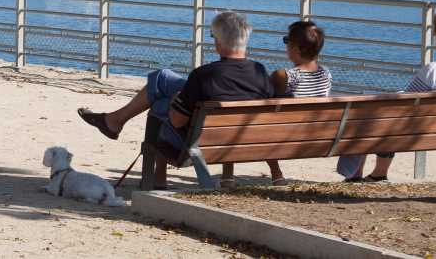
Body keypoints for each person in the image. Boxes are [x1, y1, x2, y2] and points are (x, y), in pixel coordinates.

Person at [77, 11, 273, 152]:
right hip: (245, 139)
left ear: (218, 41)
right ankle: (114, 121)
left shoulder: (204, 75)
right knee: (162, 78)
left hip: (203, 141)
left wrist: (174, 102)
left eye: (212, 36)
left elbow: (178, 121)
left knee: (161, 100)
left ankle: (115, 122)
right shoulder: (260, 72)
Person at [338, 8, 436, 182]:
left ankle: (356, 174)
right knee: (386, 120)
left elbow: (407, 99)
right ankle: (378, 174)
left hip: (421, 132)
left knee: (368, 118)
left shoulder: (433, 69)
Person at [266, 21, 331, 185]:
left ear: (295, 48)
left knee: (263, 123)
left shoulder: (284, 76)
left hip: (289, 136)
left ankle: (276, 172)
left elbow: (265, 97)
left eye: (286, 41)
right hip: (320, 135)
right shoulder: (326, 74)